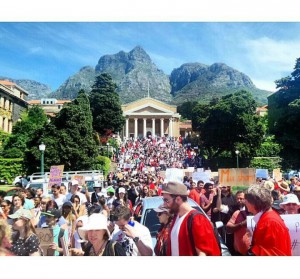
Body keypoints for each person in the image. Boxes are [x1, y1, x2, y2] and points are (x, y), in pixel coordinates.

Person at [162, 181, 221, 256]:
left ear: (178, 199)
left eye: (166, 200)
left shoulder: (197, 219)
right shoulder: (176, 217)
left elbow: (203, 254)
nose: (164, 204)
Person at [245, 184, 292, 256]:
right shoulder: (267, 217)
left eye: (246, 200)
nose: (245, 203)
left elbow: (270, 253)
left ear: (253, 203)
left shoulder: (270, 222)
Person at [226, 191, 251, 255]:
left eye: (241, 198)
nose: (239, 200)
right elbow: (228, 228)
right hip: (238, 246)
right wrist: (242, 224)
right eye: (237, 198)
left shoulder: (255, 211)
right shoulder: (234, 210)